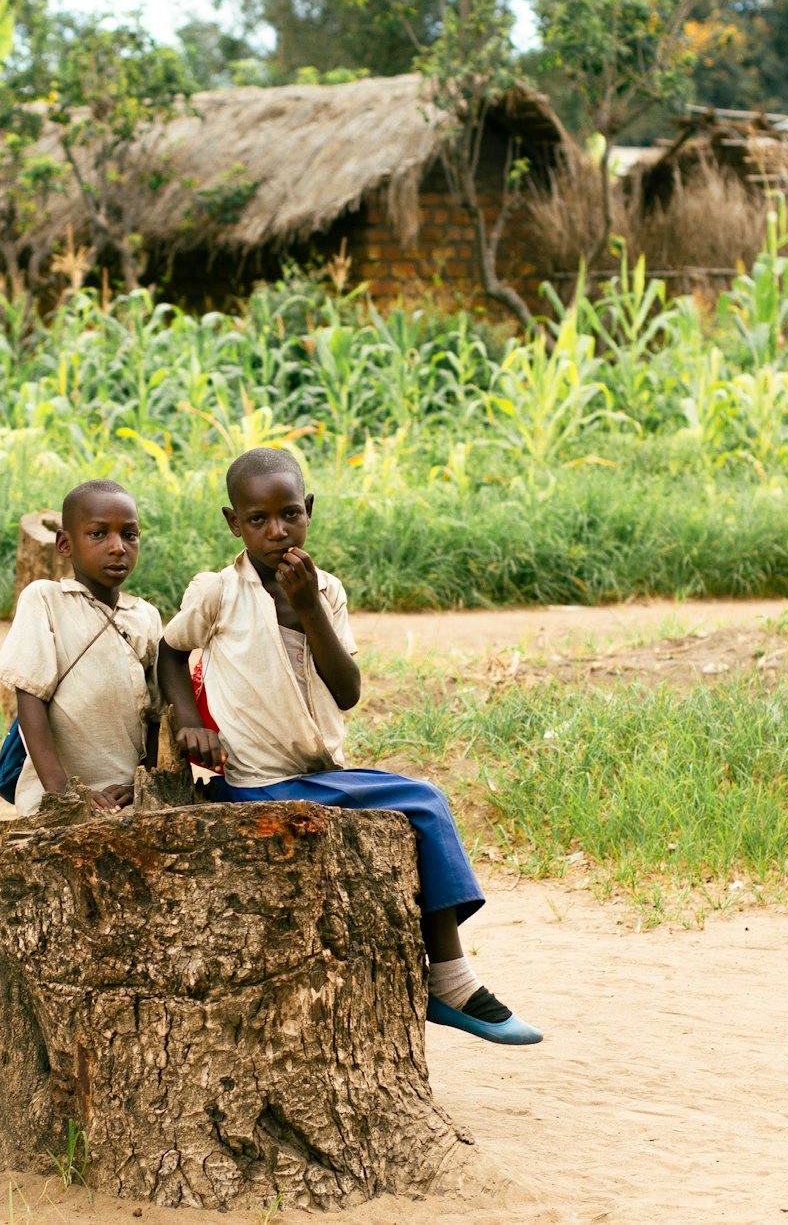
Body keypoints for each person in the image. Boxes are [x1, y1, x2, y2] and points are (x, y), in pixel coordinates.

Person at [158, 448, 542, 1047]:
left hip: (316, 772)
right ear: (233, 523)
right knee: (424, 802)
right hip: (257, 780)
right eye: (257, 520)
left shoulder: (326, 591)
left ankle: (447, 978)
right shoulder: (217, 592)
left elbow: (348, 690)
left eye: (289, 514)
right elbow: (170, 650)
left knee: (419, 806)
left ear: (308, 511)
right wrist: (188, 720)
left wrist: (309, 606)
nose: (276, 531)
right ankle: (451, 981)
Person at [0, 479, 163, 1142]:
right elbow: (29, 698)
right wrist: (62, 796)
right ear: (64, 544)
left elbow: (149, 721)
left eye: (129, 533)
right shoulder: (46, 601)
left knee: (109, 952)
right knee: (12, 948)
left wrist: (139, 787)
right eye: (98, 534)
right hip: (49, 814)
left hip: (121, 813)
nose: (116, 547)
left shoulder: (146, 617)